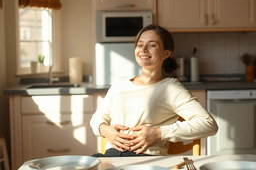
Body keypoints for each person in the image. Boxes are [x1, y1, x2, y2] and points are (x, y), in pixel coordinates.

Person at [90, 24, 218, 157]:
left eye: (152, 45)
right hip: (110, 157)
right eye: (140, 45)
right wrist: (104, 130)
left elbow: (208, 124)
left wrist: (158, 133)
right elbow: (97, 118)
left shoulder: (171, 88)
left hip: (144, 159)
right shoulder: (120, 85)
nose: (144, 49)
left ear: (166, 53)